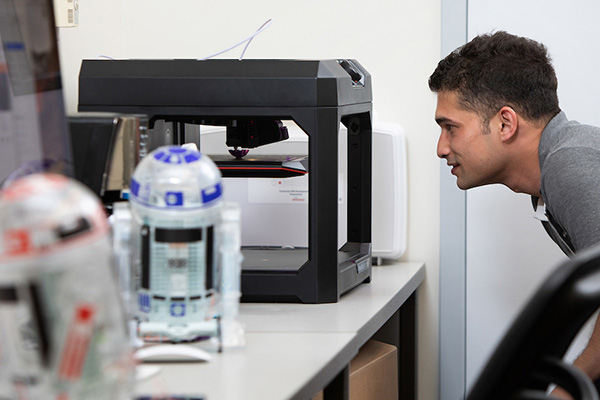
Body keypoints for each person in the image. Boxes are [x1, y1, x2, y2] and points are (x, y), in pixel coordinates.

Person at [429, 31, 600, 397]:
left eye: (450, 128)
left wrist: (565, 390)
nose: (442, 148)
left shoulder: (570, 165)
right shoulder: (558, 168)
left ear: (506, 123)